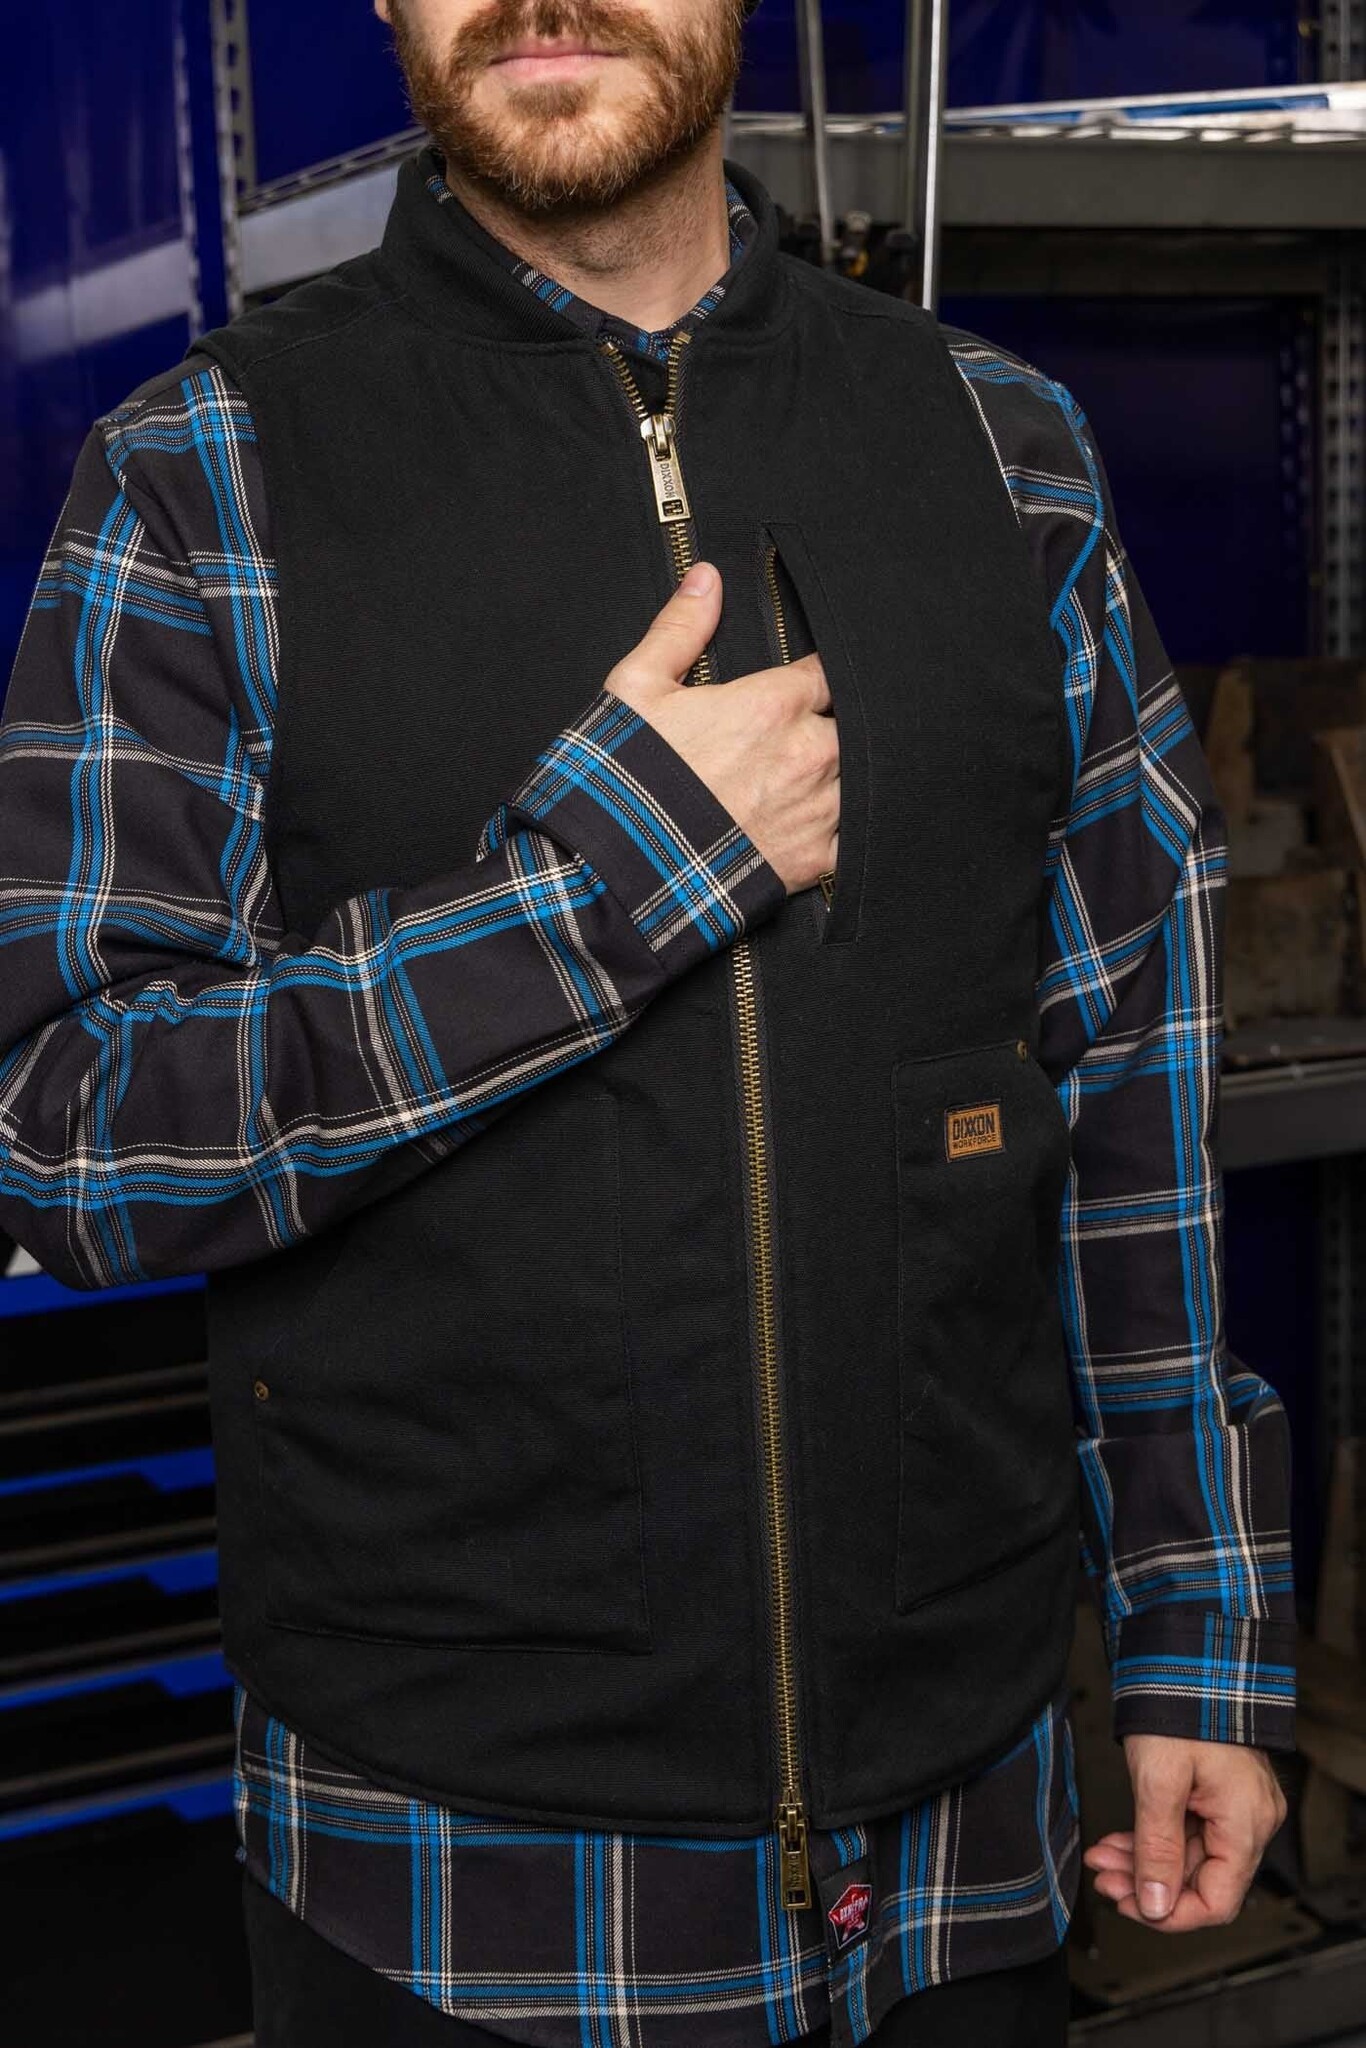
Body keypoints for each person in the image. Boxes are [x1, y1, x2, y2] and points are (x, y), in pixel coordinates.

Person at [0, 1, 1296, 2043]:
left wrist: (1192, 1631)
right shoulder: (204, 470)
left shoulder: (1000, 448)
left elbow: (1131, 1091)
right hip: (451, 1877)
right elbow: (76, 1134)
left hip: (962, 1828)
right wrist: (599, 891)